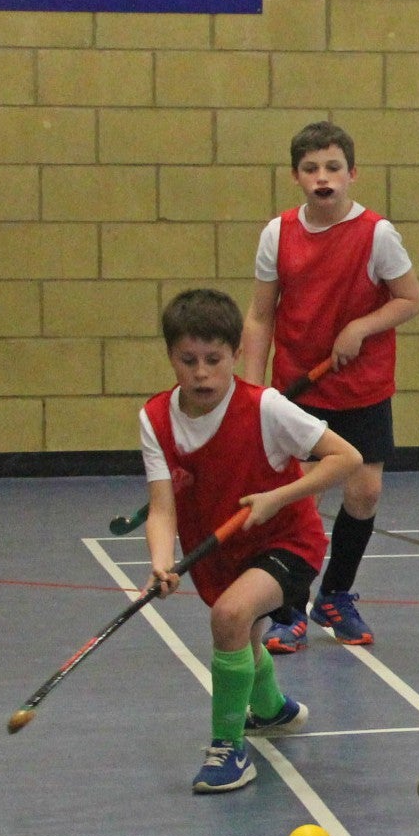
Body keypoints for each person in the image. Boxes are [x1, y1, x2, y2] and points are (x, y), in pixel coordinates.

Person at [142, 289, 361, 794]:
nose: (201, 373)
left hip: (288, 539)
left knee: (230, 617)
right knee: (243, 634)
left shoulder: (266, 408)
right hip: (219, 552)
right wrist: (160, 561)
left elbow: (345, 458)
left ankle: (228, 749)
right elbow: (161, 506)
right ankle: (272, 710)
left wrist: (278, 497)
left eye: (213, 360)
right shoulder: (155, 419)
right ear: (170, 356)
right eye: (187, 360)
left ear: (235, 354)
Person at [240, 120, 419, 652]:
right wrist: (251, 394)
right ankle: (290, 608)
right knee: (295, 501)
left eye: (333, 168)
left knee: (364, 491)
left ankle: (335, 594)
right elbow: (259, 316)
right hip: (298, 387)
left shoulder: (377, 234)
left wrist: (360, 327)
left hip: (362, 386)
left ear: (352, 173)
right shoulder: (277, 233)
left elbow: (409, 298)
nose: (323, 178)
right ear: (296, 177)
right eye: (311, 169)